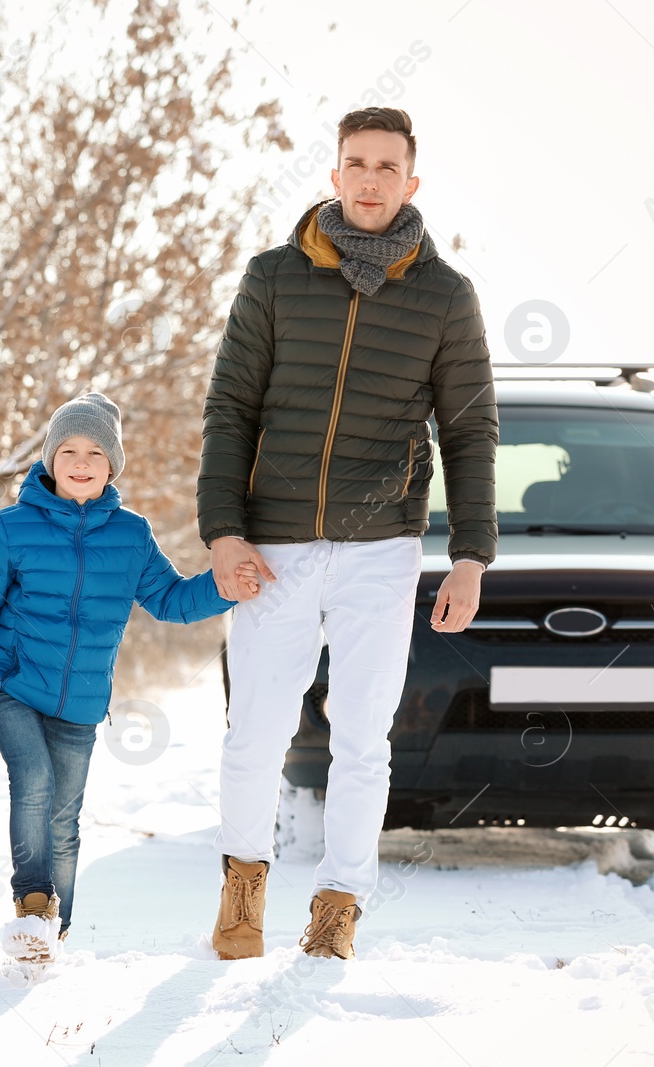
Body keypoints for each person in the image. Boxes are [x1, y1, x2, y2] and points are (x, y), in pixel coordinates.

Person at [197, 107, 497, 961]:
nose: (370, 179)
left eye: (386, 166)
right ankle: (244, 886)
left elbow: (471, 431)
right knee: (256, 728)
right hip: (274, 545)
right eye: (355, 163)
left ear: (410, 182)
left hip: (382, 549)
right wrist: (222, 530)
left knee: (364, 736)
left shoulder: (446, 295)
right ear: (334, 175)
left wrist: (469, 556)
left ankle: (338, 906)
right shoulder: (273, 278)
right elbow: (230, 410)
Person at [0, 392, 246, 965]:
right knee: (34, 779)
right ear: (50, 459)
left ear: (111, 464)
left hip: (81, 699)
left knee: (64, 818)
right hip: (11, 680)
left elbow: (171, 600)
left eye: (95, 451)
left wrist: (224, 585)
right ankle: (31, 904)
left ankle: (54, 928)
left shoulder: (131, 535)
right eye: (68, 449)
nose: (80, 461)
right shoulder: (9, 529)